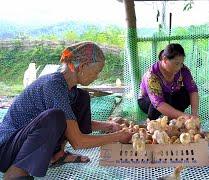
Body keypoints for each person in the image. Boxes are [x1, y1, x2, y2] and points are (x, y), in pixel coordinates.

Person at [0, 42, 132, 179]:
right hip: (7, 148)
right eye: (97, 71)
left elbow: (71, 124)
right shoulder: (53, 85)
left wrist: (110, 126)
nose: (97, 76)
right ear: (82, 67)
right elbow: (78, 141)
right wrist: (117, 136)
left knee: (81, 98)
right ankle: (16, 172)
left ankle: (57, 155)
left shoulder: (69, 88)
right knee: (54, 117)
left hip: (26, 140)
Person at [138, 43, 199, 120]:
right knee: (165, 96)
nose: (179, 67)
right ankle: (152, 124)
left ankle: (175, 119)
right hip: (147, 101)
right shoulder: (152, 75)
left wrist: (194, 114)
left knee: (184, 94)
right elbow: (158, 103)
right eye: (176, 63)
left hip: (169, 97)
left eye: (181, 63)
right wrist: (185, 116)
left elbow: (193, 90)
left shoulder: (183, 69)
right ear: (165, 59)